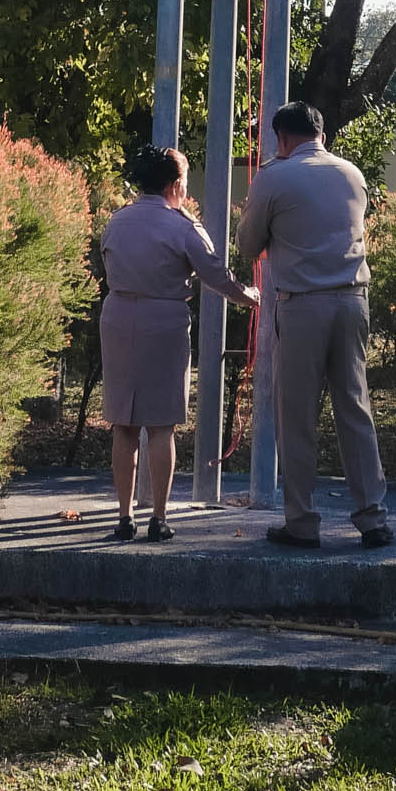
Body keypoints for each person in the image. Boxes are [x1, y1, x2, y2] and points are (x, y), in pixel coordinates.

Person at [235, 100, 392, 549]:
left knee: (297, 415)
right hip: (353, 300)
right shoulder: (352, 174)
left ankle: (302, 522)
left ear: (281, 138)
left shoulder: (274, 177)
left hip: (303, 304)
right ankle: (373, 519)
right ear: (322, 135)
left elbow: (247, 245)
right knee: (355, 409)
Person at [94, 144, 258, 542]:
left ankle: (123, 516)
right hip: (164, 320)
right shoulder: (182, 227)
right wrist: (249, 296)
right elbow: (216, 275)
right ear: (174, 184)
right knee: (161, 424)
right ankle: (159, 517)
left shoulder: (117, 221)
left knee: (123, 424)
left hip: (117, 316)